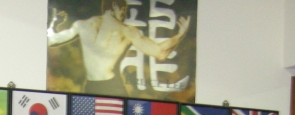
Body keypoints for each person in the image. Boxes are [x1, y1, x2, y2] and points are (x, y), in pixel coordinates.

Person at [47, 1, 190, 94]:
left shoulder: (82, 25)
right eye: (123, 9)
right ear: (116, 7)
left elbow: (51, 40)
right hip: (111, 87)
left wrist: (53, 25)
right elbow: (160, 53)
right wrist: (180, 34)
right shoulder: (126, 31)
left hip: (91, 85)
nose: (124, 13)